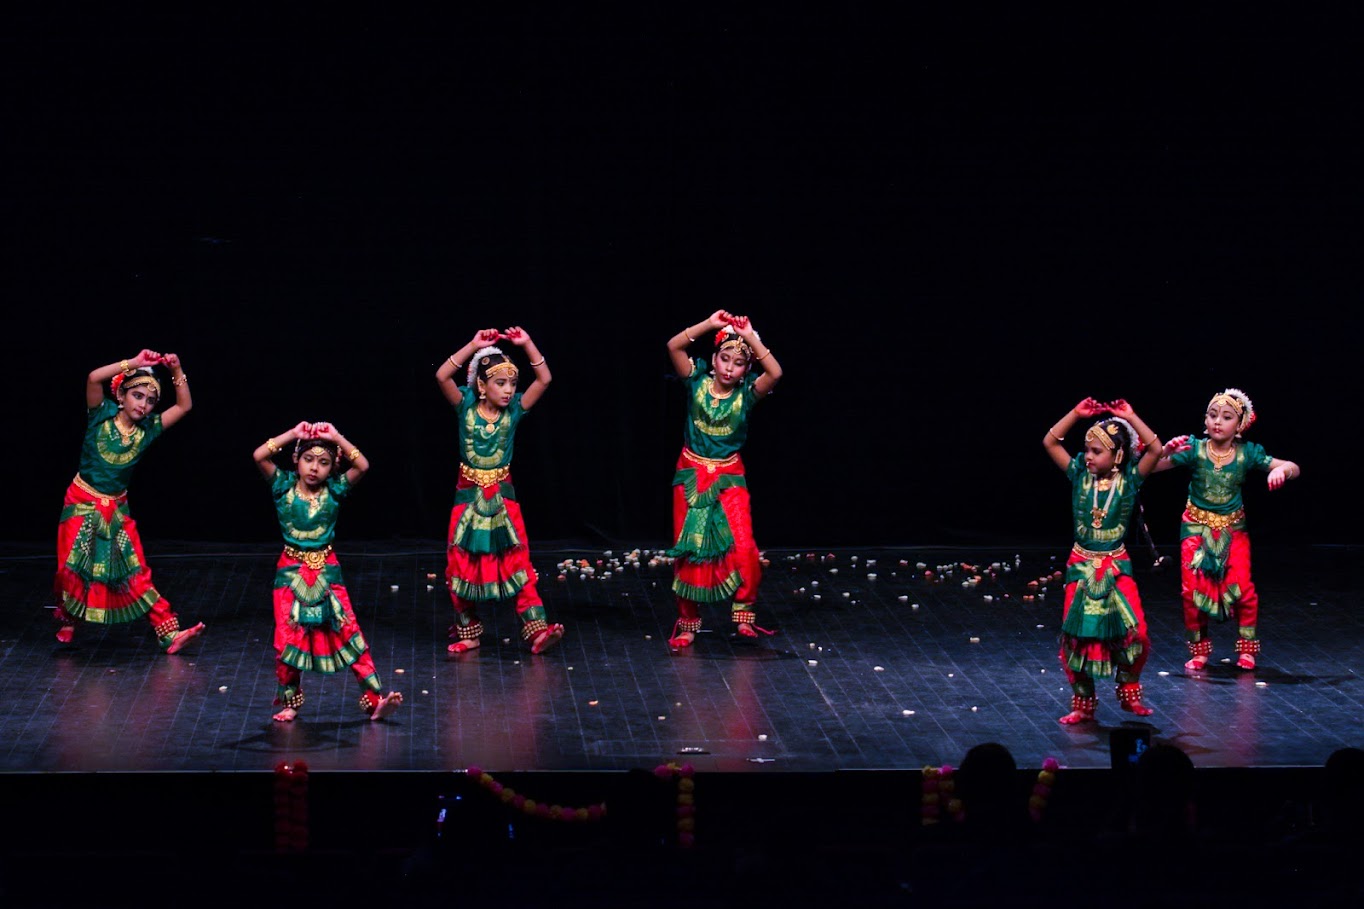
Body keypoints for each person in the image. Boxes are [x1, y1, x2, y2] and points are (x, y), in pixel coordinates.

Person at [52, 349, 205, 653]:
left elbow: (185, 405)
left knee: (136, 572)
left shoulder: (147, 430)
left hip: (116, 509)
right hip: (81, 501)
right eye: (137, 396)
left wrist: (176, 370)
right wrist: (134, 363)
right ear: (121, 394)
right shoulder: (100, 414)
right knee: (72, 568)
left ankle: (168, 633)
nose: (143, 404)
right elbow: (94, 377)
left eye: (150, 401)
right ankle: (69, 617)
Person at [252, 421, 402, 722]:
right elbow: (259, 457)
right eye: (308, 459)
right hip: (291, 572)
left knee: (348, 631)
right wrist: (294, 434)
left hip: (326, 571)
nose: (314, 468)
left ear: (332, 467)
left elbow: (362, 464)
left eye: (323, 463)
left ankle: (375, 700)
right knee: (286, 639)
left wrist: (336, 437)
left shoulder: (334, 490)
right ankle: (290, 703)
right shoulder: (282, 485)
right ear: (296, 459)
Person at [434, 326, 562, 655]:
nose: (508, 391)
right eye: (500, 383)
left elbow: (545, 380)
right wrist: (474, 345)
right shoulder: (464, 406)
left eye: (512, 384)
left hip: (503, 499)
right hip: (468, 498)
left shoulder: (515, 410)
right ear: (481, 385)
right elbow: (442, 375)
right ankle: (469, 631)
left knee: (516, 560)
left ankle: (536, 631)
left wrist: (528, 343)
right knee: (460, 563)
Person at [1155, 388, 1300, 671]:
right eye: (1212, 415)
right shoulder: (1195, 449)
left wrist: (1281, 471)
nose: (1217, 421)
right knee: (1191, 592)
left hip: (1234, 530)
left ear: (1240, 425)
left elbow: (1293, 466)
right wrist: (1164, 451)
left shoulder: (1247, 454)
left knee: (1243, 589)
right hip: (1195, 528)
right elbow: (1147, 468)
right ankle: (1199, 650)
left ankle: (1247, 650)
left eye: (1226, 417)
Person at [663, 311, 783, 647]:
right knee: (691, 550)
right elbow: (673, 346)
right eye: (725, 359)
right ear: (713, 360)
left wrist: (749, 337)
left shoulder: (747, 394)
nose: (730, 368)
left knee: (743, 546)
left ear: (746, 369)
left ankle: (744, 611)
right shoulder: (696, 381)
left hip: (730, 475)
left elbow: (776, 372)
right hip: (691, 474)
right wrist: (711, 325)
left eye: (739, 363)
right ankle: (688, 622)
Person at [1043, 398, 1165, 723]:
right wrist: (1076, 414)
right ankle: (1083, 703)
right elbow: (1050, 441)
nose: (1089, 456)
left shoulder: (1129, 482)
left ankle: (1128, 692)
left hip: (1115, 567)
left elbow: (1155, 449)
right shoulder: (1079, 476)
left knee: (1135, 634)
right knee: (1076, 638)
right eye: (1087, 449)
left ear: (1118, 455)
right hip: (1081, 567)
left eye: (1097, 451)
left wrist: (1130, 416)